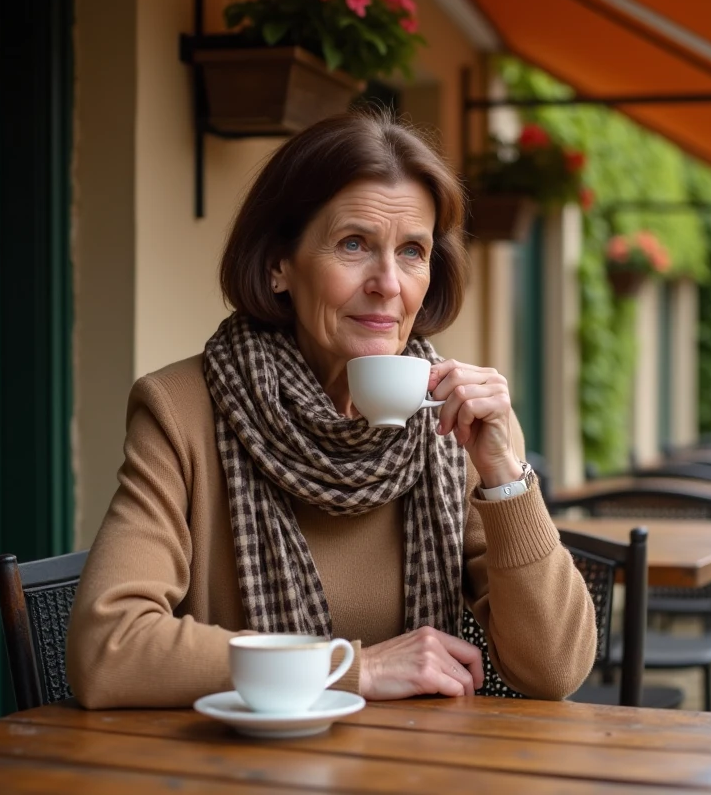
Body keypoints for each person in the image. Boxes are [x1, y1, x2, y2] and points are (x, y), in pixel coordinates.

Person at [66, 111, 597, 708]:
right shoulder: (182, 411)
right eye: (354, 244)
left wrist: (504, 475)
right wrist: (352, 668)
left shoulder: (453, 422)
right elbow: (106, 649)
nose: (388, 283)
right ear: (278, 266)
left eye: (413, 252)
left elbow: (556, 668)